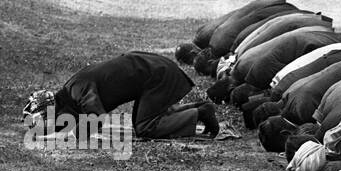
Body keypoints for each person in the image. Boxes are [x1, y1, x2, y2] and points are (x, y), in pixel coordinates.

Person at [36, 51, 218, 141]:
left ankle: (200, 114)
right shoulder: (72, 88)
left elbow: (97, 118)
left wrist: (75, 135)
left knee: (146, 128)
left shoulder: (77, 92)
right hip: (154, 71)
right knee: (149, 119)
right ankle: (200, 108)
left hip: (158, 75)